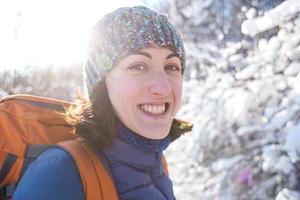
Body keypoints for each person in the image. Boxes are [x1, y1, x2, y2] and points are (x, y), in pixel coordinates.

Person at [13, 5, 192, 200]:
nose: (163, 87)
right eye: (139, 66)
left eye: (171, 66)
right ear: (102, 83)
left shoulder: (157, 165)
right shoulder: (59, 172)